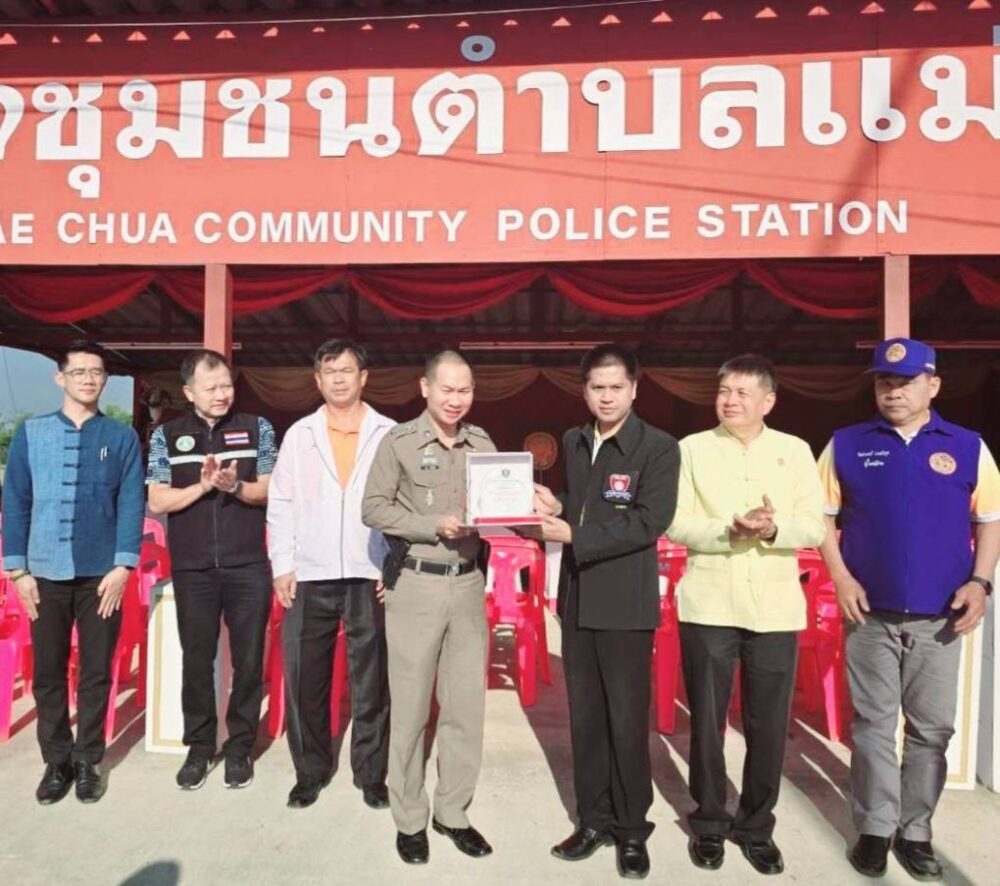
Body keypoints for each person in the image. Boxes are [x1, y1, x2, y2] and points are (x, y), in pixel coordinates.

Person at [817, 338, 1000, 881]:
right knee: (872, 725)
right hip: (868, 612)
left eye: (906, 382)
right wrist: (840, 576)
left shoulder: (968, 446)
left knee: (931, 729)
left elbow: (989, 520)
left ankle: (916, 831)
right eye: (884, 382)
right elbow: (820, 517)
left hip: (942, 615)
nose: (893, 391)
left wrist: (980, 583)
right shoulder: (846, 444)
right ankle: (875, 829)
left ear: (933, 385)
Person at [667, 354, 825, 875]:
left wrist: (774, 529)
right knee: (707, 720)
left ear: (768, 401)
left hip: (775, 608)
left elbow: (814, 525)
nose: (730, 401)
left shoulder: (795, 451)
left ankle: (756, 827)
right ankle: (709, 821)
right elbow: (675, 522)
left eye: (742, 393)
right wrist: (730, 531)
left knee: (768, 724)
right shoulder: (692, 449)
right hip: (709, 602)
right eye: (724, 391)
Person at [533, 343, 680, 881]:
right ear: (585, 390)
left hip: (625, 604)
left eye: (617, 387)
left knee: (626, 720)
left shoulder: (658, 448)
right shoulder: (576, 440)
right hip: (578, 599)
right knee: (586, 718)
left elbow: (648, 521)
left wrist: (574, 534)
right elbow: (584, 503)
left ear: (635, 389)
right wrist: (557, 505)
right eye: (598, 387)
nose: (607, 397)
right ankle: (593, 820)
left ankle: (632, 828)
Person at [362, 350, 495, 865]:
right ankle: (410, 819)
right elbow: (373, 507)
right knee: (412, 708)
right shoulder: (398, 442)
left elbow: (498, 505)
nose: (455, 400)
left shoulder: (481, 443)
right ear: (425, 387)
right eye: (447, 389)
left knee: (465, 708)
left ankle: (453, 813)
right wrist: (430, 525)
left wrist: (533, 503)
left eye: (465, 390)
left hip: (467, 584)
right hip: (416, 584)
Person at [2, 340, 144, 805]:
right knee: (47, 671)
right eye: (79, 371)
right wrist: (18, 571)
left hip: (102, 576)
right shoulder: (31, 433)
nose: (88, 379)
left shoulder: (121, 437)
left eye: (97, 372)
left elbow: (131, 502)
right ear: (60, 378)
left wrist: (123, 564)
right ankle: (56, 761)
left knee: (97, 671)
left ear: (105, 379)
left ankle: (88, 761)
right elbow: (16, 501)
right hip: (43, 573)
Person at [267, 340, 395, 810]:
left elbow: (402, 501)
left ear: (364, 377)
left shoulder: (389, 433)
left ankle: (371, 774)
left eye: (347, 370)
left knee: (372, 681)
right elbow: (281, 501)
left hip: (369, 570)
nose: (339, 379)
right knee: (305, 678)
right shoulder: (299, 434)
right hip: (310, 573)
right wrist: (283, 564)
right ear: (317, 380)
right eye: (329, 371)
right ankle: (310, 771)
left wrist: (393, 563)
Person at [146, 349, 276, 791]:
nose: (221, 394)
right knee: (197, 659)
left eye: (226, 385)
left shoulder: (258, 428)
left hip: (248, 565)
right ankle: (200, 747)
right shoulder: (166, 436)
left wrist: (235, 485)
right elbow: (158, 499)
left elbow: (270, 489)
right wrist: (202, 486)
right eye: (211, 387)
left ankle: (240, 747)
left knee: (249, 660)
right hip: (193, 567)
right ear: (189, 392)